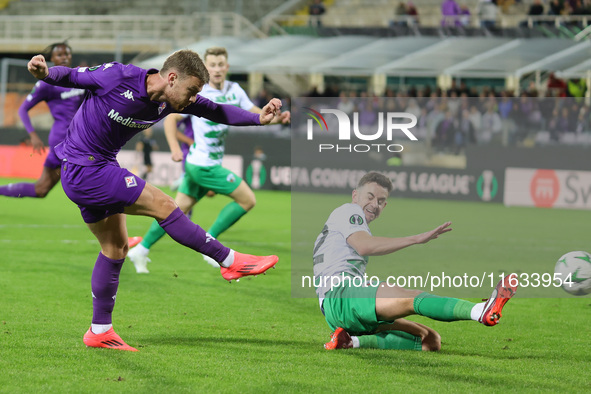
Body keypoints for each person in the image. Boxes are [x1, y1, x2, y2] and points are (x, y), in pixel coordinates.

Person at [27, 49, 283, 352]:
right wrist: (45, 73)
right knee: (165, 205)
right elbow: (70, 76)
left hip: (97, 167)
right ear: (172, 78)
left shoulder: (171, 100)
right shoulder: (117, 76)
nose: (192, 99)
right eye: (191, 91)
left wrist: (258, 118)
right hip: (85, 167)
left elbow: (217, 110)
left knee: (115, 248)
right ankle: (229, 261)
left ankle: (100, 330)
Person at [128, 47, 290, 274]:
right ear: (205, 67)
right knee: (247, 199)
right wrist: (175, 149)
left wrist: (277, 119)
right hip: (203, 165)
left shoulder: (235, 90)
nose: (216, 69)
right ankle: (211, 246)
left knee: (175, 211)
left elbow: (257, 116)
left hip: (201, 163)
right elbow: (170, 119)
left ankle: (141, 249)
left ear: (227, 67)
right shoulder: (196, 93)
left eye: (219, 64)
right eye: (211, 65)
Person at [315, 172, 518, 351]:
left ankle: (350, 341)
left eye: (380, 200)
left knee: (430, 341)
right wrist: (416, 239)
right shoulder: (348, 211)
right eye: (370, 196)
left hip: (339, 309)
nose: (374, 204)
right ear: (354, 195)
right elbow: (364, 246)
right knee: (411, 298)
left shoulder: (347, 222)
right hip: (341, 296)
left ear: (385, 205)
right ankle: (480, 311)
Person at [0, 42, 84, 199]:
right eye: (60, 55)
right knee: (89, 182)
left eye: (67, 54)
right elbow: (22, 109)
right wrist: (33, 134)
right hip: (63, 140)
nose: (64, 57)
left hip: (79, 139)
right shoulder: (47, 82)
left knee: (41, 189)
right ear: (52, 58)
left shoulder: (79, 77)